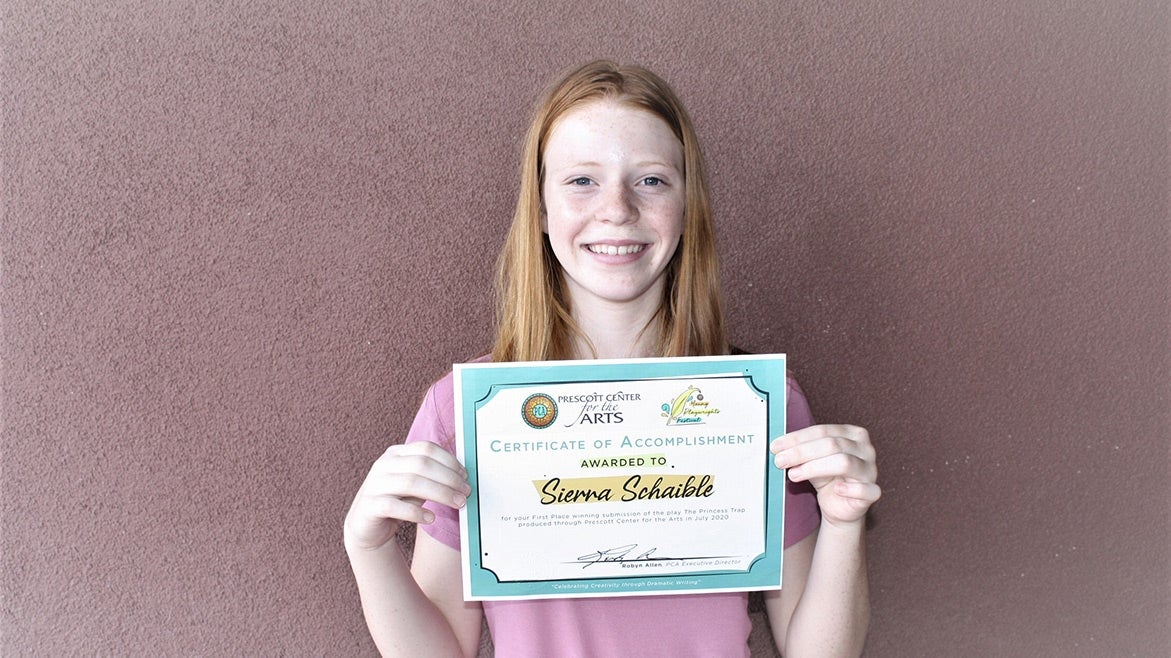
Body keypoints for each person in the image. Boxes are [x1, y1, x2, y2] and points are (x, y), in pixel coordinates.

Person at [344, 60, 881, 657]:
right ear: (542, 212)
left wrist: (843, 522)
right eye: (582, 181)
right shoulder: (465, 414)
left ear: (687, 206)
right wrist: (368, 550)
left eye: (651, 180)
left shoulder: (761, 405)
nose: (617, 209)